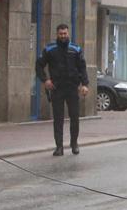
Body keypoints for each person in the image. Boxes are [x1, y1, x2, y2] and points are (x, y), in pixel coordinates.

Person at [35, 23, 89, 156]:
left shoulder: (76, 49)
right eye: (61, 34)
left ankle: (74, 144)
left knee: (74, 117)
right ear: (57, 34)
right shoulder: (49, 49)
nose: (63, 36)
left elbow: (82, 67)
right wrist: (45, 80)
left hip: (72, 88)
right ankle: (59, 147)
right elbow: (39, 65)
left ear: (68, 33)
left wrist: (84, 84)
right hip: (57, 88)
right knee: (58, 119)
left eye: (65, 33)